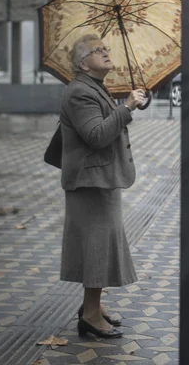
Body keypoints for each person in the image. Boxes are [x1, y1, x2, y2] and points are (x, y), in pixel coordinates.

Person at [59, 33, 146, 338]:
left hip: (100, 179)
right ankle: (91, 316)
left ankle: (92, 306)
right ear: (83, 63)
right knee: (96, 247)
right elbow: (96, 135)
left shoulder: (93, 87)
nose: (106, 53)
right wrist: (127, 108)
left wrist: (127, 106)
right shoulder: (79, 92)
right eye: (98, 50)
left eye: (106, 48)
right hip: (89, 182)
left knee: (101, 245)